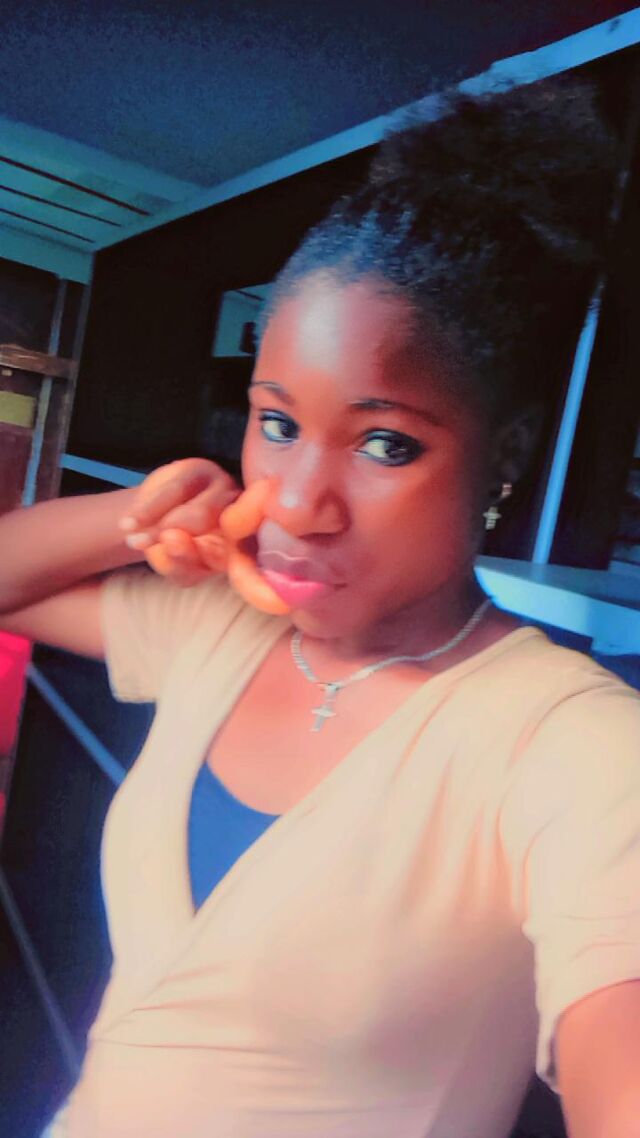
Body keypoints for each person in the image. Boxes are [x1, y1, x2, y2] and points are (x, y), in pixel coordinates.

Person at [1, 77, 639, 1138]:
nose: (299, 504)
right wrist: (141, 511)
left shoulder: (570, 742)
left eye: (386, 442)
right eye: (278, 423)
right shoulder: (221, 626)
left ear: (506, 455)